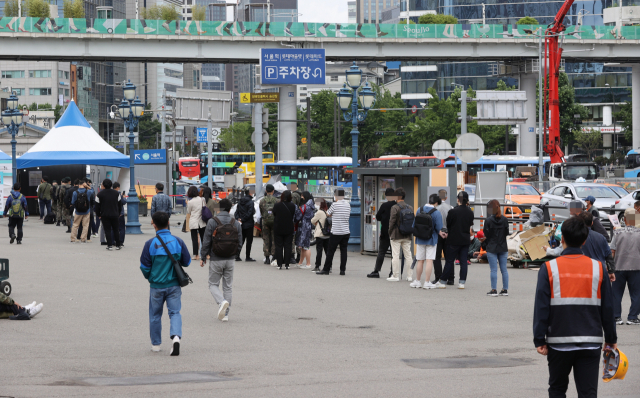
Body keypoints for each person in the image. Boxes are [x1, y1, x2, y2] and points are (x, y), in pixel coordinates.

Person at [533, 217, 617, 398]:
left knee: (557, 389)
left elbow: (542, 307)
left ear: (562, 238)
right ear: (585, 240)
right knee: (588, 393)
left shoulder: (548, 268)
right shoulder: (599, 268)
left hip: (558, 342)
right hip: (590, 342)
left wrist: (539, 339)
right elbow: (608, 309)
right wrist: (610, 339)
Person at [140, 212, 191, 356]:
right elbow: (186, 262)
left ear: (153, 224)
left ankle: (156, 344)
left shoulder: (150, 244)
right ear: (168, 222)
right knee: (175, 312)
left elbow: (144, 267)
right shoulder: (178, 241)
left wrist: (151, 277)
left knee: (155, 314)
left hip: (156, 285)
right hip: (174, 284)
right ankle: (175, 337)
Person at [200, 198, 242, 322]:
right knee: (228, 287)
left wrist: (203, 256)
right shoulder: (236, 222)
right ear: (230, 209)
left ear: (219, 208)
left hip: (216, 257)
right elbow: (240, 241)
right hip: (230, 259)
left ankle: (221, 301)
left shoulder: (213, 221)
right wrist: (235, 253)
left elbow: (206, 240)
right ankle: (226, 315)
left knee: (213, 284)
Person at [436, 191, 474, 289]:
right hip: (465, 239)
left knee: (449, 261)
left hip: (453, 239)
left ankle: (443, 281)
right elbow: (470, 224)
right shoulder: (470, 212)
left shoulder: (453, 211)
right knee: (463, 261)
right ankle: (462, 283)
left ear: (458, 199)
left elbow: (449, 225)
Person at [610, 207, 640, 325]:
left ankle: (616, 317)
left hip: (619, 267)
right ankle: (632, 317)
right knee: (636, 293)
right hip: (636, 267)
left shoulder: (617, 232)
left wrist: (610, 266)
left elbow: (612, 251)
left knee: (616, 293)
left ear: (625, 219)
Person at [410, 193, 443, 289]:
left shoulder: (419, 209)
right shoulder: (436, 212)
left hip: (420, 238)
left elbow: (414, 225)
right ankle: (427, 282)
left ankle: (417, 281)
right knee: (429, 260)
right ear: (436, 203)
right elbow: (439, 227)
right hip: (431, 239)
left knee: (420, 260)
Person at [317, 189, 351, 276]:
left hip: (336, 232)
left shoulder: (334, 205)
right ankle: (342, 270)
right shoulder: (348, 205)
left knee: (330, 251)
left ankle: (326, 269)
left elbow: (328, 214)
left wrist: (333, 213)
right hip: (346, 231)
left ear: (336, 196)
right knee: (344, 251)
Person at [578, 212, 615, 283]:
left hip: (582, 272)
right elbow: (609, 256)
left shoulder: (576, 237)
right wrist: (611, 271)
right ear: (592, 223)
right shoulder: (601, 237)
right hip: (600, 272)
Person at [367, 188, 396, 278]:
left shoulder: (384, 206)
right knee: (394, 254)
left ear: (387, 196)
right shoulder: (397, 205)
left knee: (382, 252)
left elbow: (378, 216)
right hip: (395, 233)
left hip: (385, 232)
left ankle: (376, 271)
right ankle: (392, 272)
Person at [484, 199, 510, 297]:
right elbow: (507, 233)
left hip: (492, 246)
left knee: (493, 270)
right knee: (504, 270)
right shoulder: (505, 219)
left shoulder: (488, 220)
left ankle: (494, 290)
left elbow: (486, 234)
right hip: (503, 246)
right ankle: (505, 289)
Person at [387, 188, 413, 282]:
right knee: (408, 256)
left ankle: (396, 275)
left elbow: (392, 222)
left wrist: (390, 232)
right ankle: (410, 276)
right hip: (407, 235)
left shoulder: (395, 207)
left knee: (395, 255)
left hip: (396, 234)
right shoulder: (410, 207)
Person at [95, 178, 123, 251]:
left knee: (107, 230)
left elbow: (96, 206)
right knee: (116, 229)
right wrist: (119, 213)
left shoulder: (99, 194)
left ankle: (109, 245)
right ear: (111, 185)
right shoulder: (117, 193)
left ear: (104, 185)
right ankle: (118, 245)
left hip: (104, 215)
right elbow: (120, 205)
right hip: (115, 214)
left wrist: (99, 214)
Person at [273, 190, 297, 270]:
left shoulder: (277, 205)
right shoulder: (292, 205)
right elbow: (293, 215)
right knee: (288, 246)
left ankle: (279, 264)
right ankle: (287, 264)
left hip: (278, 227)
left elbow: (274, 214)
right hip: (289, 227)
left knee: (278, 246)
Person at [434, 190, 453, 284]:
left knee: (437, 256)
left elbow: (434, 223)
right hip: (448, 234)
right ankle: (450, 278)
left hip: (438, 233)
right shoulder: (451, 208)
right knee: (449, 257)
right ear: (446, 197)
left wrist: (439, 231)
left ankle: (438, 277)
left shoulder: (436, 208)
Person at [234, 188, 256, 262]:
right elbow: (250, 213)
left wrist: (239, 219)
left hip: (241, 224)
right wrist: (243, 219)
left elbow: (236, 212)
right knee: (249, 241)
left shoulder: (240, 201)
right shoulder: (251, 202)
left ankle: (237, 255)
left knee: (241, 240)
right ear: (250, 193)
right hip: (249, 224)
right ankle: (247, 256)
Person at [186, 186, 207, 260]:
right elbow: (204, 208)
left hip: (194, 221)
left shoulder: (190, 202)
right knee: (203, 239)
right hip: (202, 221)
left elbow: (189, 212)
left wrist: (187, 204)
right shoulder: (202, 199)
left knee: (194, 239)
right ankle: (205, 254)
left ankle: (196, 255)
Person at [295, 191, 316, 269]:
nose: (301, 197)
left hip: (303, 227)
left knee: (306, 246)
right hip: (309, 226)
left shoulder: (304, 206)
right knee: (304, 246)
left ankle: (308, 263)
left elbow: (298, 216)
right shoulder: (311, 205)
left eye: (302, 196)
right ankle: (300, 262)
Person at [259, 184, 277, 264]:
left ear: (266, 191)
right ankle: (273, 256)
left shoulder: (262, 200)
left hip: (265, 222)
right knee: (274, 239)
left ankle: (267, 258)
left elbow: (261, 211)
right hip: (274, 222)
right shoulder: (276, 200)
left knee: (266, 239)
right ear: (273, 191)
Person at [311, 198, 330, 273]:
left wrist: (316, 223)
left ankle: (317, 266)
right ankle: (329, 266)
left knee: (319, 251)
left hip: (320, 234)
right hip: (327, 234)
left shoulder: (319, 212)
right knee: (327, 251)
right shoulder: (326, 212)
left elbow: (312, 220)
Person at [290, 182, 302, 262]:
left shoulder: (294, 195)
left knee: (293, 239)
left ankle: (292, 257)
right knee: (299, 239)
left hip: (295, 219)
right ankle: (299, 256)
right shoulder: (301, 193)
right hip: (300, 218)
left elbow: (293, 207)